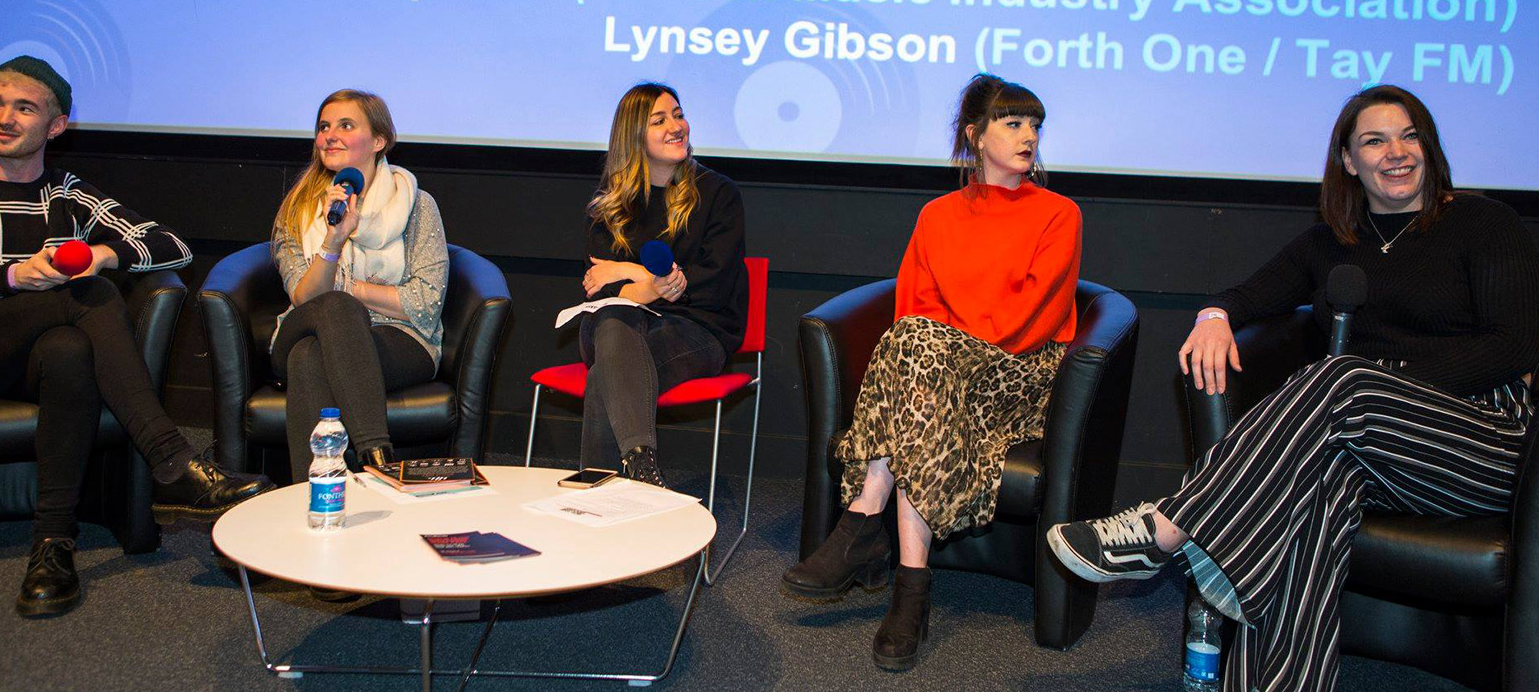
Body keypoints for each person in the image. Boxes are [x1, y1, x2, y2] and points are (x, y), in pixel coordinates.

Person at [1048, 85, 1539, 692]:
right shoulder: (1332, 241)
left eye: (1410, 136)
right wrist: (1212, 319)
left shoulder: (1483, 223)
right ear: (1348, 161)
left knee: (1341, 379)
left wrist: (1391, 387)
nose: (1397, 153)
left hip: (1484, 442)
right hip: (1371, 442)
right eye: (1375, 141)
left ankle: (1170, 525)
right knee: (1310, 494)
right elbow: (1245, 296)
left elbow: (1514, 347)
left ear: (1430, 147)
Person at [0, 56, 271, 618]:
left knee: (70, 349)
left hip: (37, 363)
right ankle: (171, 459)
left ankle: (52, 546)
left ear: (56, 126)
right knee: (85, 296)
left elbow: (175, 248)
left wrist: (104, 252)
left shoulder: (70, 194)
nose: (5, 118)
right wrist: (16, 276)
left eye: (25, 108)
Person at [782, 74, 1083, 672]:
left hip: (1018, 373)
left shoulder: (1059, 214)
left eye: (1034, 125)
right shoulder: (938, 215)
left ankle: (863, 528)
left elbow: (1028, 318)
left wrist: (945, 346)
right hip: (939, 370)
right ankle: (910, 590)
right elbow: (914, 307)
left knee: (918, 353)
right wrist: (938, 349)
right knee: (915, 356)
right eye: (1013, 122)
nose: (1029, 136)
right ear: (975, 135)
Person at [270, 89, 447, 481]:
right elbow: (304, 297)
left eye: (345, 125)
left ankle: (313, 493)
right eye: (323, 127)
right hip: (307, 321)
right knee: (335, 308)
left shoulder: (417, 205)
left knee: (309, 358)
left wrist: (350, 290)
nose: (329, 136)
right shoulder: (298, 208)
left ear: (379, 141)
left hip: (398, 338)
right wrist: (334, 239)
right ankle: (377, 455)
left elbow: (425, 302)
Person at [577, 82, 747, 487]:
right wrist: (654, 284)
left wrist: (631, 274)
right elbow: (598, 292)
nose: (677, 126)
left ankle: (612, 485)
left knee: (606, 376)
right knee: (614, 319)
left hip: (697, 329)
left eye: (678, 114)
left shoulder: (717, 193)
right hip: (615, 327)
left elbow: (713, 284)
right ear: (634, 135)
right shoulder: (610, 204)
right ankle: (642, 479)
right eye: (660, 120)